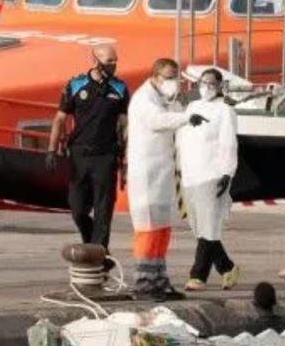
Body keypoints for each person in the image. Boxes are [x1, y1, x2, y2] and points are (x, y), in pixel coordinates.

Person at [126, 57, 206, 300]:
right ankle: (143, 281)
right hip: (147, 175)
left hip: (162, 173)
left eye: (176, 78)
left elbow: (171, 114)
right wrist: (185, 118)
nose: (174, 83)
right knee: (148, 229)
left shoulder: (161, 98)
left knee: (162, 228)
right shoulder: (144, 99)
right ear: (155, 77)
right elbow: (156, 121)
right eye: (169, 78)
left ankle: (159, 278)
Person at [47, 46, 129, 258]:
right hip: (79, 154)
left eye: (115, 61)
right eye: (109, 61)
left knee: (103, 210)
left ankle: (100, 253)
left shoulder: (119, 88)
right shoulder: (75, 85)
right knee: (77, 209)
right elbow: (60, 119)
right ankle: (92, 241)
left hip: (106, 154)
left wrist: (126, 156)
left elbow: (124, 125)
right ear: (96, 61)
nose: (113, 65)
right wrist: (51, 150)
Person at [179, 68, 241, 291]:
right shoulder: (193, 107)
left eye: (211, 83)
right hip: (190, 174)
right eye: (203, 83)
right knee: (199, 228)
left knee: (209, 227)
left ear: (220, 86)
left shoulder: (225, 111)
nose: (206, 87)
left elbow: (228, 144)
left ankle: (198, 276)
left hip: (211, 174)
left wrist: (227, 173)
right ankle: (227, 267)